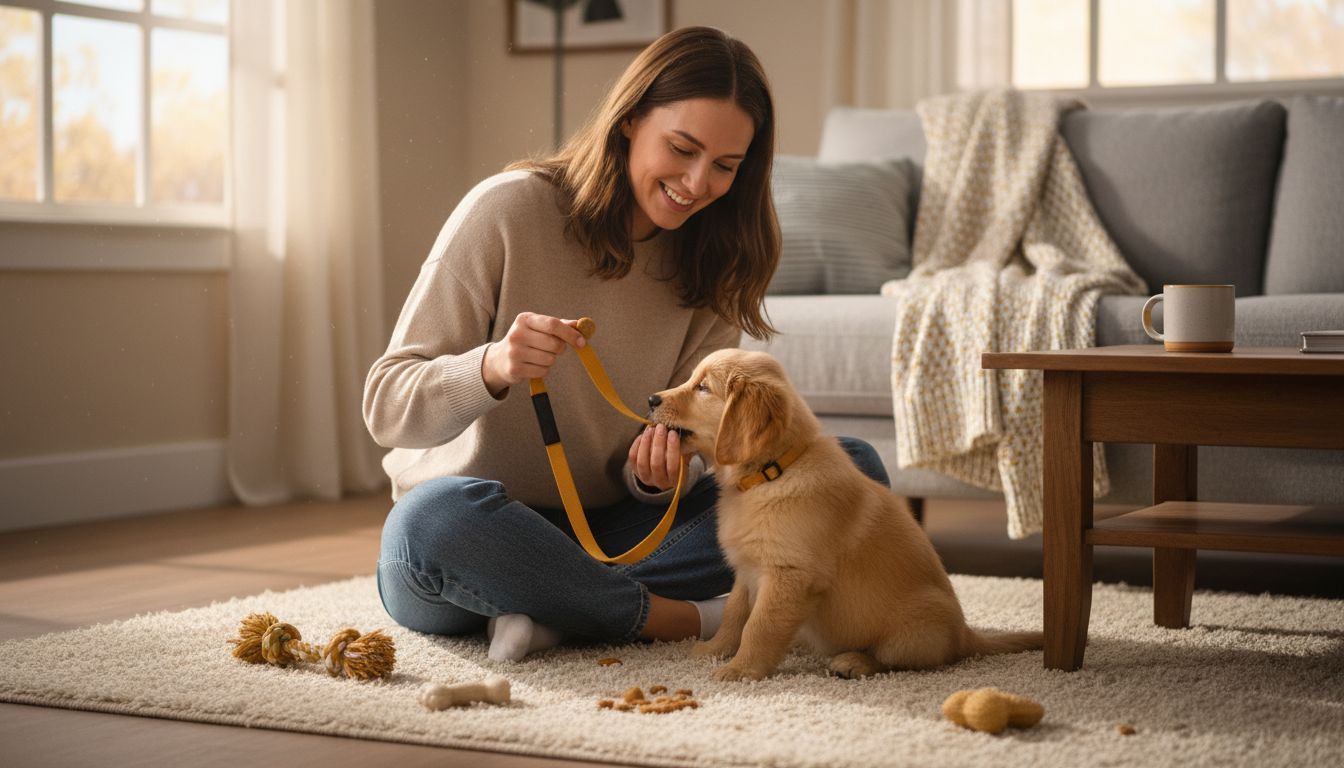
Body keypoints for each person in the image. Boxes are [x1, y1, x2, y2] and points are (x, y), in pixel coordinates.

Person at [364, 26, 889, 662]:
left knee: (846, 466)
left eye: (725, 166)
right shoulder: (507, 212)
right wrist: (491, 366)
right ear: (630, 119)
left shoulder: (714, 263)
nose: (697, 183)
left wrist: (656, 478)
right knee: (430, 525)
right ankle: (676, 619)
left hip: (617, 536)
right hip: (478, 528)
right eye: (682, 148)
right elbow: (387, 408)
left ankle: (555, 609)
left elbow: (696, 451)